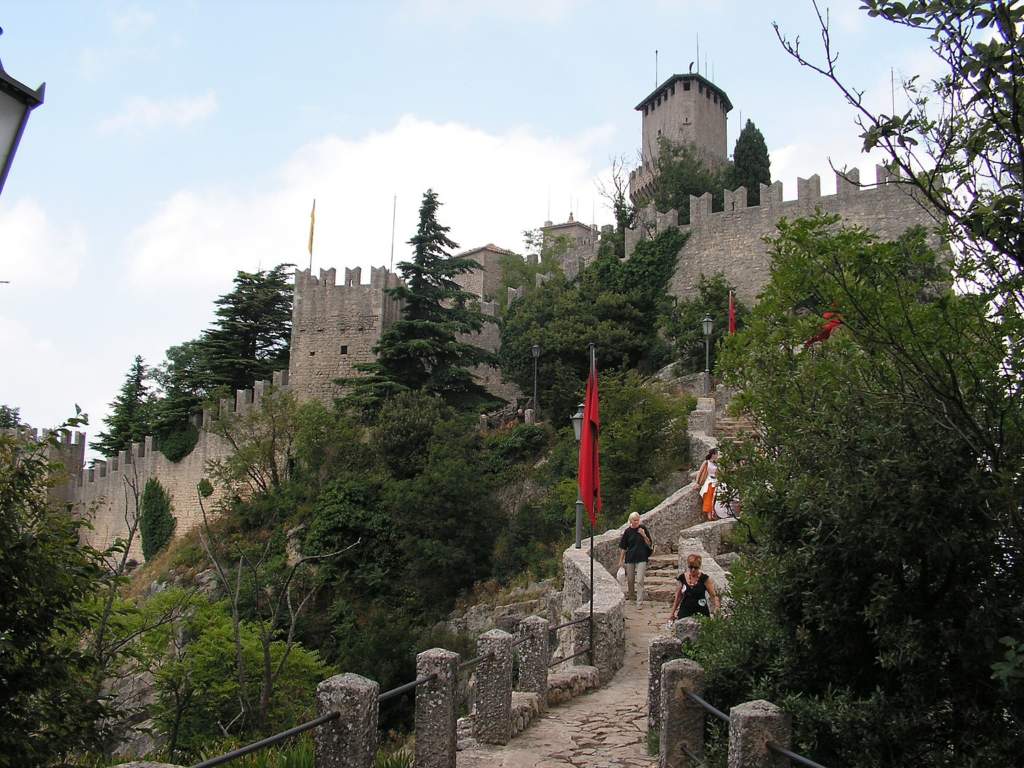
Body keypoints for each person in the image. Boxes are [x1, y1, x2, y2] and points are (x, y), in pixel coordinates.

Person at [617, 512, 654, 608]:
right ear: (631, 521)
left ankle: (639, 602)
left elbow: (649, 543)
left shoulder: (643, 529)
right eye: (635, 520)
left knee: (640, 580)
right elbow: (623, 547)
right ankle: (632, 597)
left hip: (642, 557)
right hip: (630, 558)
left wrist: (643, 535)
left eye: (638, 519)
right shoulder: (627, 531)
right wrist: (621, 560)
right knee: (630, 580)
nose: (637, 522)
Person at [670, 553, 720, 620]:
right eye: (691, 567)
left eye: (696, 568)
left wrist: (717, 607)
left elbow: (713, 596)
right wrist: (672, 613)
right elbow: (678, 597)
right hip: (685, 611)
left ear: (699, 567)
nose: (693, 570)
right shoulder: (682, 578)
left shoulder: (705, 579)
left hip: (701, 610)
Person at [695, 448, 719, 521]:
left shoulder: (717, 463)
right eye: (716, 454)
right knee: (708, 495)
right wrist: (697, 482)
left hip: (716, 480)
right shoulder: (706, 462)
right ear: (713, 454)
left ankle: (715, 513)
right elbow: (700, 472)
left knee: (715, 497)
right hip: (709, 480)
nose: (718, 455)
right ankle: (709, 514)